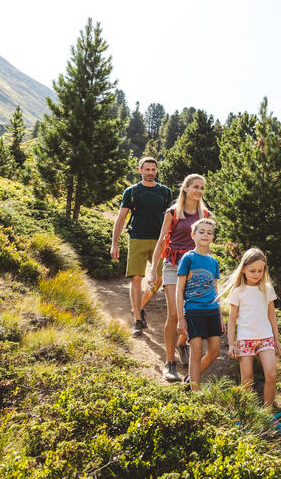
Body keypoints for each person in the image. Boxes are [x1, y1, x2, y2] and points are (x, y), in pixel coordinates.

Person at [146, 173, 211, 382]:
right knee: (174, 313)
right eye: (195, 187)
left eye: (202, 187)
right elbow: (160, 242)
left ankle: (181, 343)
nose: (199, 191)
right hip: (173, 266)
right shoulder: (173, 213)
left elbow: (206, 243)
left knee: (190, 312)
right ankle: (169, 362)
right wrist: (152, 270)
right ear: (185, 188)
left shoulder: (205, 214)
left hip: (195, 269)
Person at [109, 157, 172, 337]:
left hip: (160, 240)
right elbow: (121, 218)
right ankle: (137, 319)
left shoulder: (165, 192)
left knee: (159, 279)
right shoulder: (132, 191)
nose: (150, 172)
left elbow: (171, 219)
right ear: (140, 170)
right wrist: (114, 243)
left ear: (157, 171)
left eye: (153, 169)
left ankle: (139, 307)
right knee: (136, 278)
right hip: (137, 237)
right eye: (147, 169)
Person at [223, 247, 281, 411]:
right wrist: (231, 344)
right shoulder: (238, 291)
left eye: (260, 271)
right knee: (247, 379)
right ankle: (244, 414)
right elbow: (232, 320)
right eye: (252, 270)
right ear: (243, 269)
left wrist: (276, 340)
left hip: (266, 338)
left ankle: (268, 413)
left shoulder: (267, 289)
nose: (257, 274)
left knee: (271, 374)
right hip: (245, 340)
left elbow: (272, 316)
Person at [176, 218, 223, 391]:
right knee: (195, 351)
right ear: (193, 235)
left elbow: (216, 291)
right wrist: (181, 318)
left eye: (209, 232)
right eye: (201, 232)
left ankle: (190, 379)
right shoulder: (188, 258)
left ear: (213, 237)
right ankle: (195, 393)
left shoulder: (214, 262)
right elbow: (179, 289)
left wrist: (220, 317)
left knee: (214, 351)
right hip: (193, 310)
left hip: (212, 311)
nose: (205, 235)